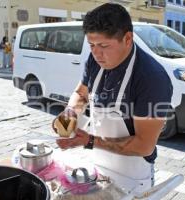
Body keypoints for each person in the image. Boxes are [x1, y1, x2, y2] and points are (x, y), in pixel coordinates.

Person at [52, 3, 173, 195]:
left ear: (127, 38)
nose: (96, 53)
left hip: (132, 177)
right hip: (98, 165)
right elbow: (81, 93)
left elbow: (144, 145)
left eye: (104, 46)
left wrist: (90, 141)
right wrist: (70, 113)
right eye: (92, 45)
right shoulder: (94, 60)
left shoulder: (152, 78)